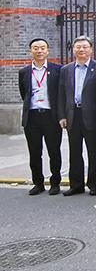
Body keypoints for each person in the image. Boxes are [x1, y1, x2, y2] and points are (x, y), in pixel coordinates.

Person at [58, 36, 96, 196]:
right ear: (73, 50)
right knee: (75, 152)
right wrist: (62, 115)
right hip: (73, 115)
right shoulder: (66, 69)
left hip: (92, 115)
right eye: (78, 47)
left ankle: (94, 184)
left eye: (85, 47)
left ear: (91, 49)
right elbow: (61, 95)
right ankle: (76, 185)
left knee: (94, 151)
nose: (81, 50)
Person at [19, 37, 62, 195]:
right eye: (35, 48)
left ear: (47, 51)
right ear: (30, 51)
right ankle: (38, 183)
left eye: (42, 48)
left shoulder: (57, 69)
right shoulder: (24, 71)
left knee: (54, 151)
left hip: (51, 116)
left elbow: (60, 93)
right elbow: (24, 93)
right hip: (32, 117)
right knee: (35, 152)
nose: (39, 51)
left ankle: (55, 182)